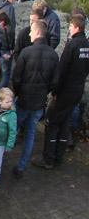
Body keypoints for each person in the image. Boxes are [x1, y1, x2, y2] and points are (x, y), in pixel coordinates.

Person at [34, 14, 89, 169]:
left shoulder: (72, 45)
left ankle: (48, 159)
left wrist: (55, 91)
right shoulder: (87, 44)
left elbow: (62, 70)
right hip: (77, 90)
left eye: (71, 26)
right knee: (65, 123)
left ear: (76, 27)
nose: (69, 29)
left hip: (65, 91)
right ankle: (58, 157)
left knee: (52, 123)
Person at [11, 19, 58, 179]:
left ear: (37, 32)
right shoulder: (53, 55)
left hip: (23, 100)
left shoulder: (26, 52)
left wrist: (18, 93)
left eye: (31, 31)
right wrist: (44, 92)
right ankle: (21, 166)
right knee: (30, 133)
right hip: (38, 102)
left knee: (11, 129)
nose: (29, 33)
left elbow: (16, 78)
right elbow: (54, 81)